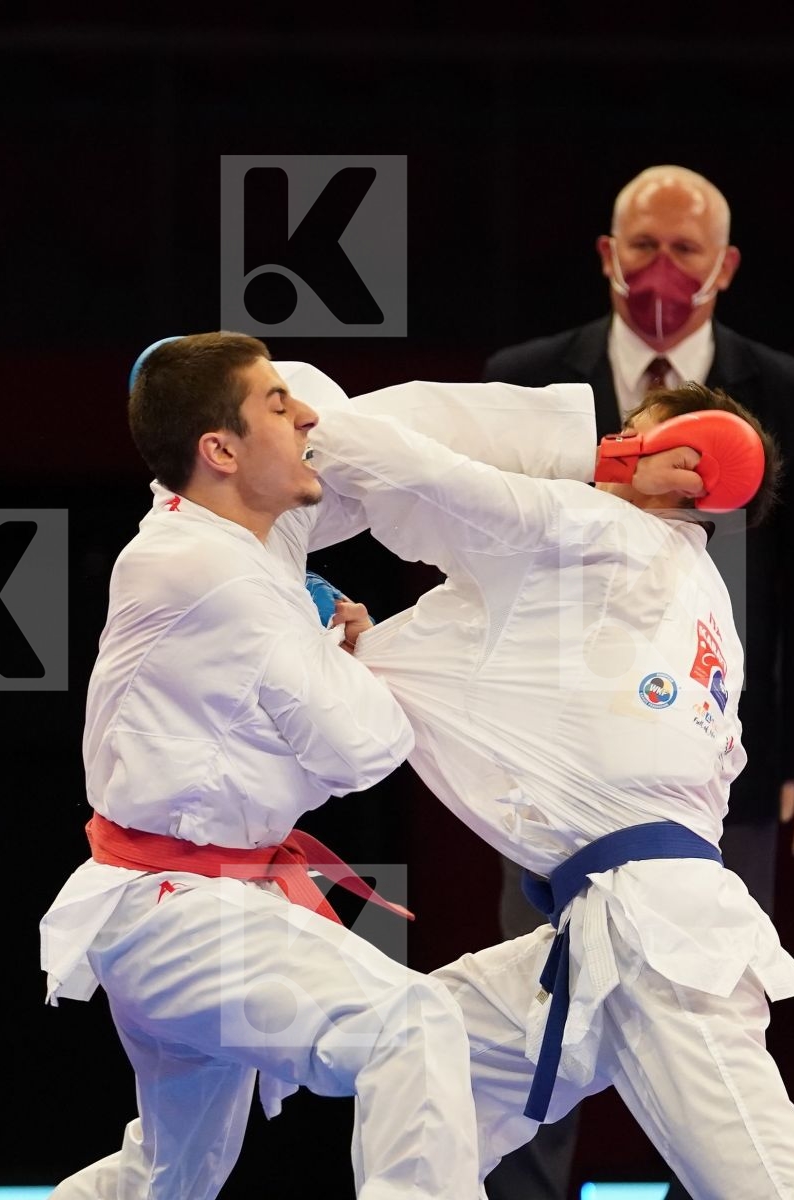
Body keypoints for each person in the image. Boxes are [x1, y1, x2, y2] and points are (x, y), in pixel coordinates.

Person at [303, 376, 794, 1199]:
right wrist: (362, 651)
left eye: (637, 429)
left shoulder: (604, 535)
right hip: (605, 930)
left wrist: (290, 422)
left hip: (658, 943)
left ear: (689, 466)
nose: (612, 440)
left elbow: (424, 479)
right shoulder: (702, 607)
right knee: (417, 1051)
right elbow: (529, 687)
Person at [483, 164, 794, 1200]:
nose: (660, 270)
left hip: (712, 761)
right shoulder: (530, 382)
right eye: (640, 247)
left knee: (703, 1021)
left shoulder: (789, 394)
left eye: (684, 250)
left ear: (725, 267)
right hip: (551, 763)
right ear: (606, 255)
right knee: (538, 1025)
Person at [39, 332, 481, 1199]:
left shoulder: (218, 536)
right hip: (175, 907)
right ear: (220, 449)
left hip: (175, 898)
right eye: (278, 406)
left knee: (173, 1174)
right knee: (411, 1023)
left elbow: (347, 433)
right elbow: (362, 748)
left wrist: (322, 640)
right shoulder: (213, 569)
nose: (309, 414)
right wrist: (349, 650)